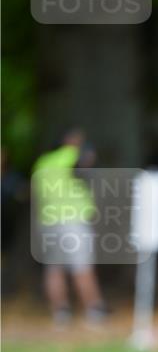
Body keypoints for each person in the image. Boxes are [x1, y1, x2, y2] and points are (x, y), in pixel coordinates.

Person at [32, 128, 107, 327]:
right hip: (73, 221)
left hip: (48, 221)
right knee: (82, 267)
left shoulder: (43, 162)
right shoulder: (73, 155)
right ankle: (94, 310)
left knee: (53, 269)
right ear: (71, 140)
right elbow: (87, 163)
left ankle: (60, 313)